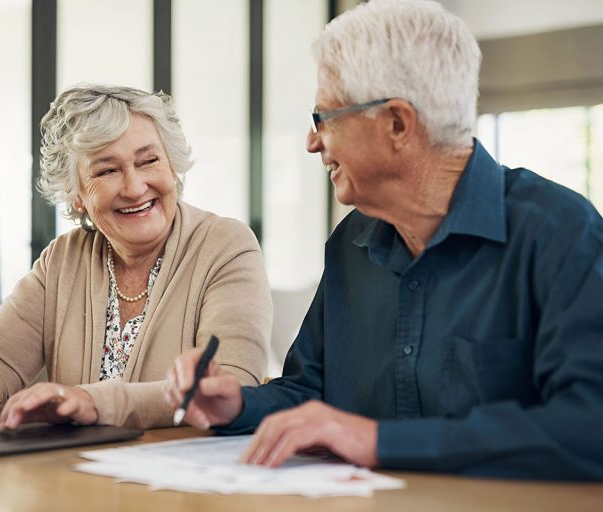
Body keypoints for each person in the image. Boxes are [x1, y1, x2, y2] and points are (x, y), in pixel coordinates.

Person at [164, 0, 603, 480]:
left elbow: (587, 424)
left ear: (397, 124)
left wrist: (377, 441)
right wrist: (236, 405)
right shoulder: (350, 243)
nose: (312, 143)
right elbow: (312, 391)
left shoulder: (559, 231)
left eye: (324, 117)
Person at [0, 85, 271, 430]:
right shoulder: (63, 260)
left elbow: (232, 386)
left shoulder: (226, 245)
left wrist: (95, 402)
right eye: (106, 171)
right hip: (80, 476)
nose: (134, 187)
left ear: (173, 167)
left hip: (185, 475)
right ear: (76, 196)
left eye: (149, 161)